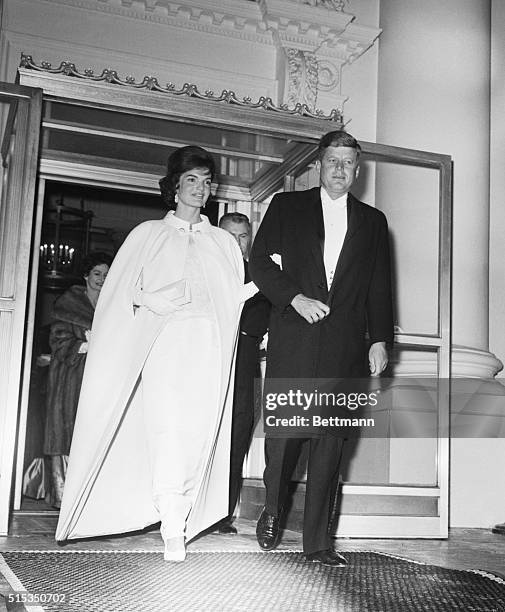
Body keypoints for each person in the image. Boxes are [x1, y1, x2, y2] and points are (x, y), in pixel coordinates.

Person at [56, 146, 255, 562]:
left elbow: (233, 300)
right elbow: (119, 296)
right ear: (174, 187)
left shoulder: (222, 242)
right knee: (167, 430)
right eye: (191, 181)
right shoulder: (147, 234)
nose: (200, 189)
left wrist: (272, 281)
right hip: (165, 346)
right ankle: (172, 527)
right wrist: (151, 299)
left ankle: (180, 515)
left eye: (206, 181)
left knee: (199, 433)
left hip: (209, 349)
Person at [249, 130, 394, 567]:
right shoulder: (287, 207)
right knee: (285, 436)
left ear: (357, 169)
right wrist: (294, 297)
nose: (339, 169)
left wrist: (379, 338)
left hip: (345, 345)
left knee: (331, 443)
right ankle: (273, 507)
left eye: (348, 162)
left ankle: (317, 543)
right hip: (294, 335)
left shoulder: (373, 221)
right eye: (333, 160)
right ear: (319, 164)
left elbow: (378, 286)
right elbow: (258, 264)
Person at [43, 252, 112, 507]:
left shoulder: (112, 303)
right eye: (97, 274)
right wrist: (85, 344)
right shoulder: (69, 302)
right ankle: (64, 497)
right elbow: (58, 341)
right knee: (64, 433)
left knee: (94, 434)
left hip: (100, 378)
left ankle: (89, 499)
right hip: (69, 377)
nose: (102, 279)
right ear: (86, 275)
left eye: (106, 275)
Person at [216, 213, 270, 534]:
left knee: (238, 433)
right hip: (210, 358)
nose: (237, 243)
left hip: (247, 358)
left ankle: (223, 514)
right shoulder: (207, 272)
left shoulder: (262, 276)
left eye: (243, 236)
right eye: (230, 236)